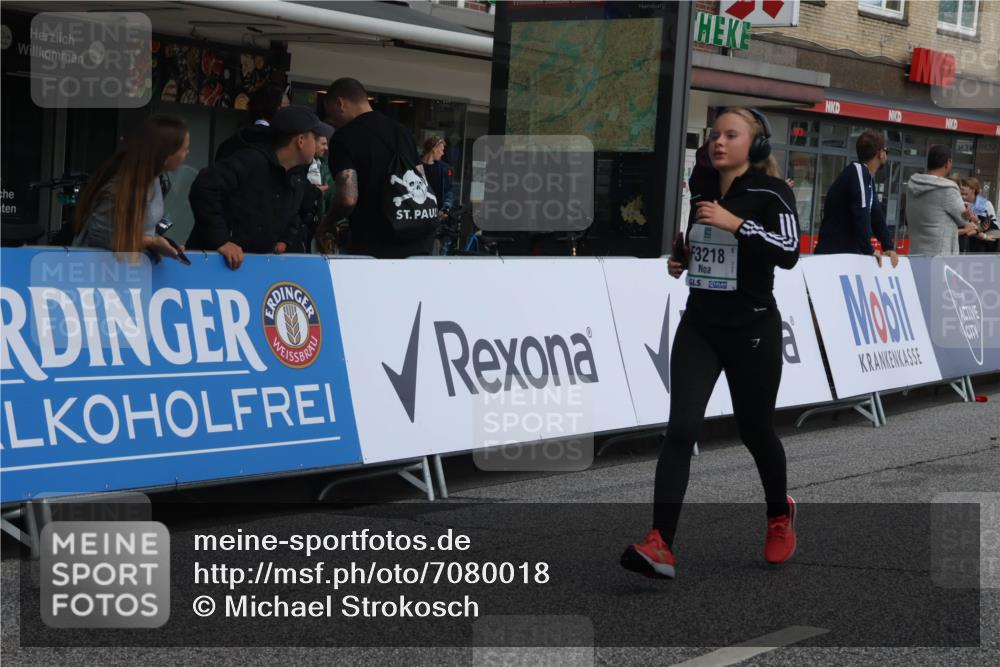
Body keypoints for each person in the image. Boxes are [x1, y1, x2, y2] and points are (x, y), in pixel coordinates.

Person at [621, 108, 800, 579]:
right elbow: (702, 244)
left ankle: (779, 515)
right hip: (700, 324)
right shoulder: (701, 186)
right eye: (715, 135)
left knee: (755, 431)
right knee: (681, 430)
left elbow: (789, 253)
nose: (719, 142)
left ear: (756, 145)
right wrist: (682, 258)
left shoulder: (772, 193)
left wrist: (734, 222)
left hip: (753, 328)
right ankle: (660, 543)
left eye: (731, 135)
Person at [189, 105, 333, 270]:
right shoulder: (251, 161)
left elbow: (294, 210)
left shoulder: (297, 175)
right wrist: (221, 241)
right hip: (212, 266)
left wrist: (285, 238)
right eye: (315, 138)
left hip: (251, 268)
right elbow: (204, 187)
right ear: (300, 140)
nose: (319, 145)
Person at [316, 77, 435, 258]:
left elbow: (347, 198)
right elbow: (421, 176)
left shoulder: (344, 138)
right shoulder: (401, 130)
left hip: (375, 246)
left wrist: (327, 223)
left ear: (340, 103)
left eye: (331, 115)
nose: (331, 122)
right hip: (418, 239)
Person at [73, 115, 190, 260]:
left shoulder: (153, 179)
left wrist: (160, 245)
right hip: (97, 272)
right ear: (166, 154)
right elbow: (102, 238)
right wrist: (151, 242)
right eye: (184, 149)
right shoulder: (119, 187)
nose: (187, 153)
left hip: (130, 270)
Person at [814, 129, 898, 267]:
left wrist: (888, 247)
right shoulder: (858, 171)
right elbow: (862, 212)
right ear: (880, 153)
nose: (886, 155)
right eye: (886, 151)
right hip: (834, 256)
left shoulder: (867, 178)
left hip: (846, 255)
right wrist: (869, 250)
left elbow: (876, 216)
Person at [906, 145, 979, 256]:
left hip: (915, 253)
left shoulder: (913, 184)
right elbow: (963, 219)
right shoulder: (948, 188)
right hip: (939, 258)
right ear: (948, 163)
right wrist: (967, 215)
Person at [215, 84, 290, 162]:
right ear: (277, 109)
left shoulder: (230, 143)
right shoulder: (279, 147)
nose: (290, 113)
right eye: (287, 106)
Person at [961, 177, 998, 253]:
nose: (962, 188)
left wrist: (979, 222)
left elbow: (994, 226)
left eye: (965, 185)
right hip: (966, 242)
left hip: (983, 244)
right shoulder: (960, 204)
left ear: (973, 189)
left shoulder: (986, 204)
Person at [421, 135, 455, 212]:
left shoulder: (444, 169)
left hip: (436, 213)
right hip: (418, 213)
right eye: (442, 150)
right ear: (434, 149)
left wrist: (446, 208)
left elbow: (448, 190)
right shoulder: (415, 166)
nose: (443, 153)